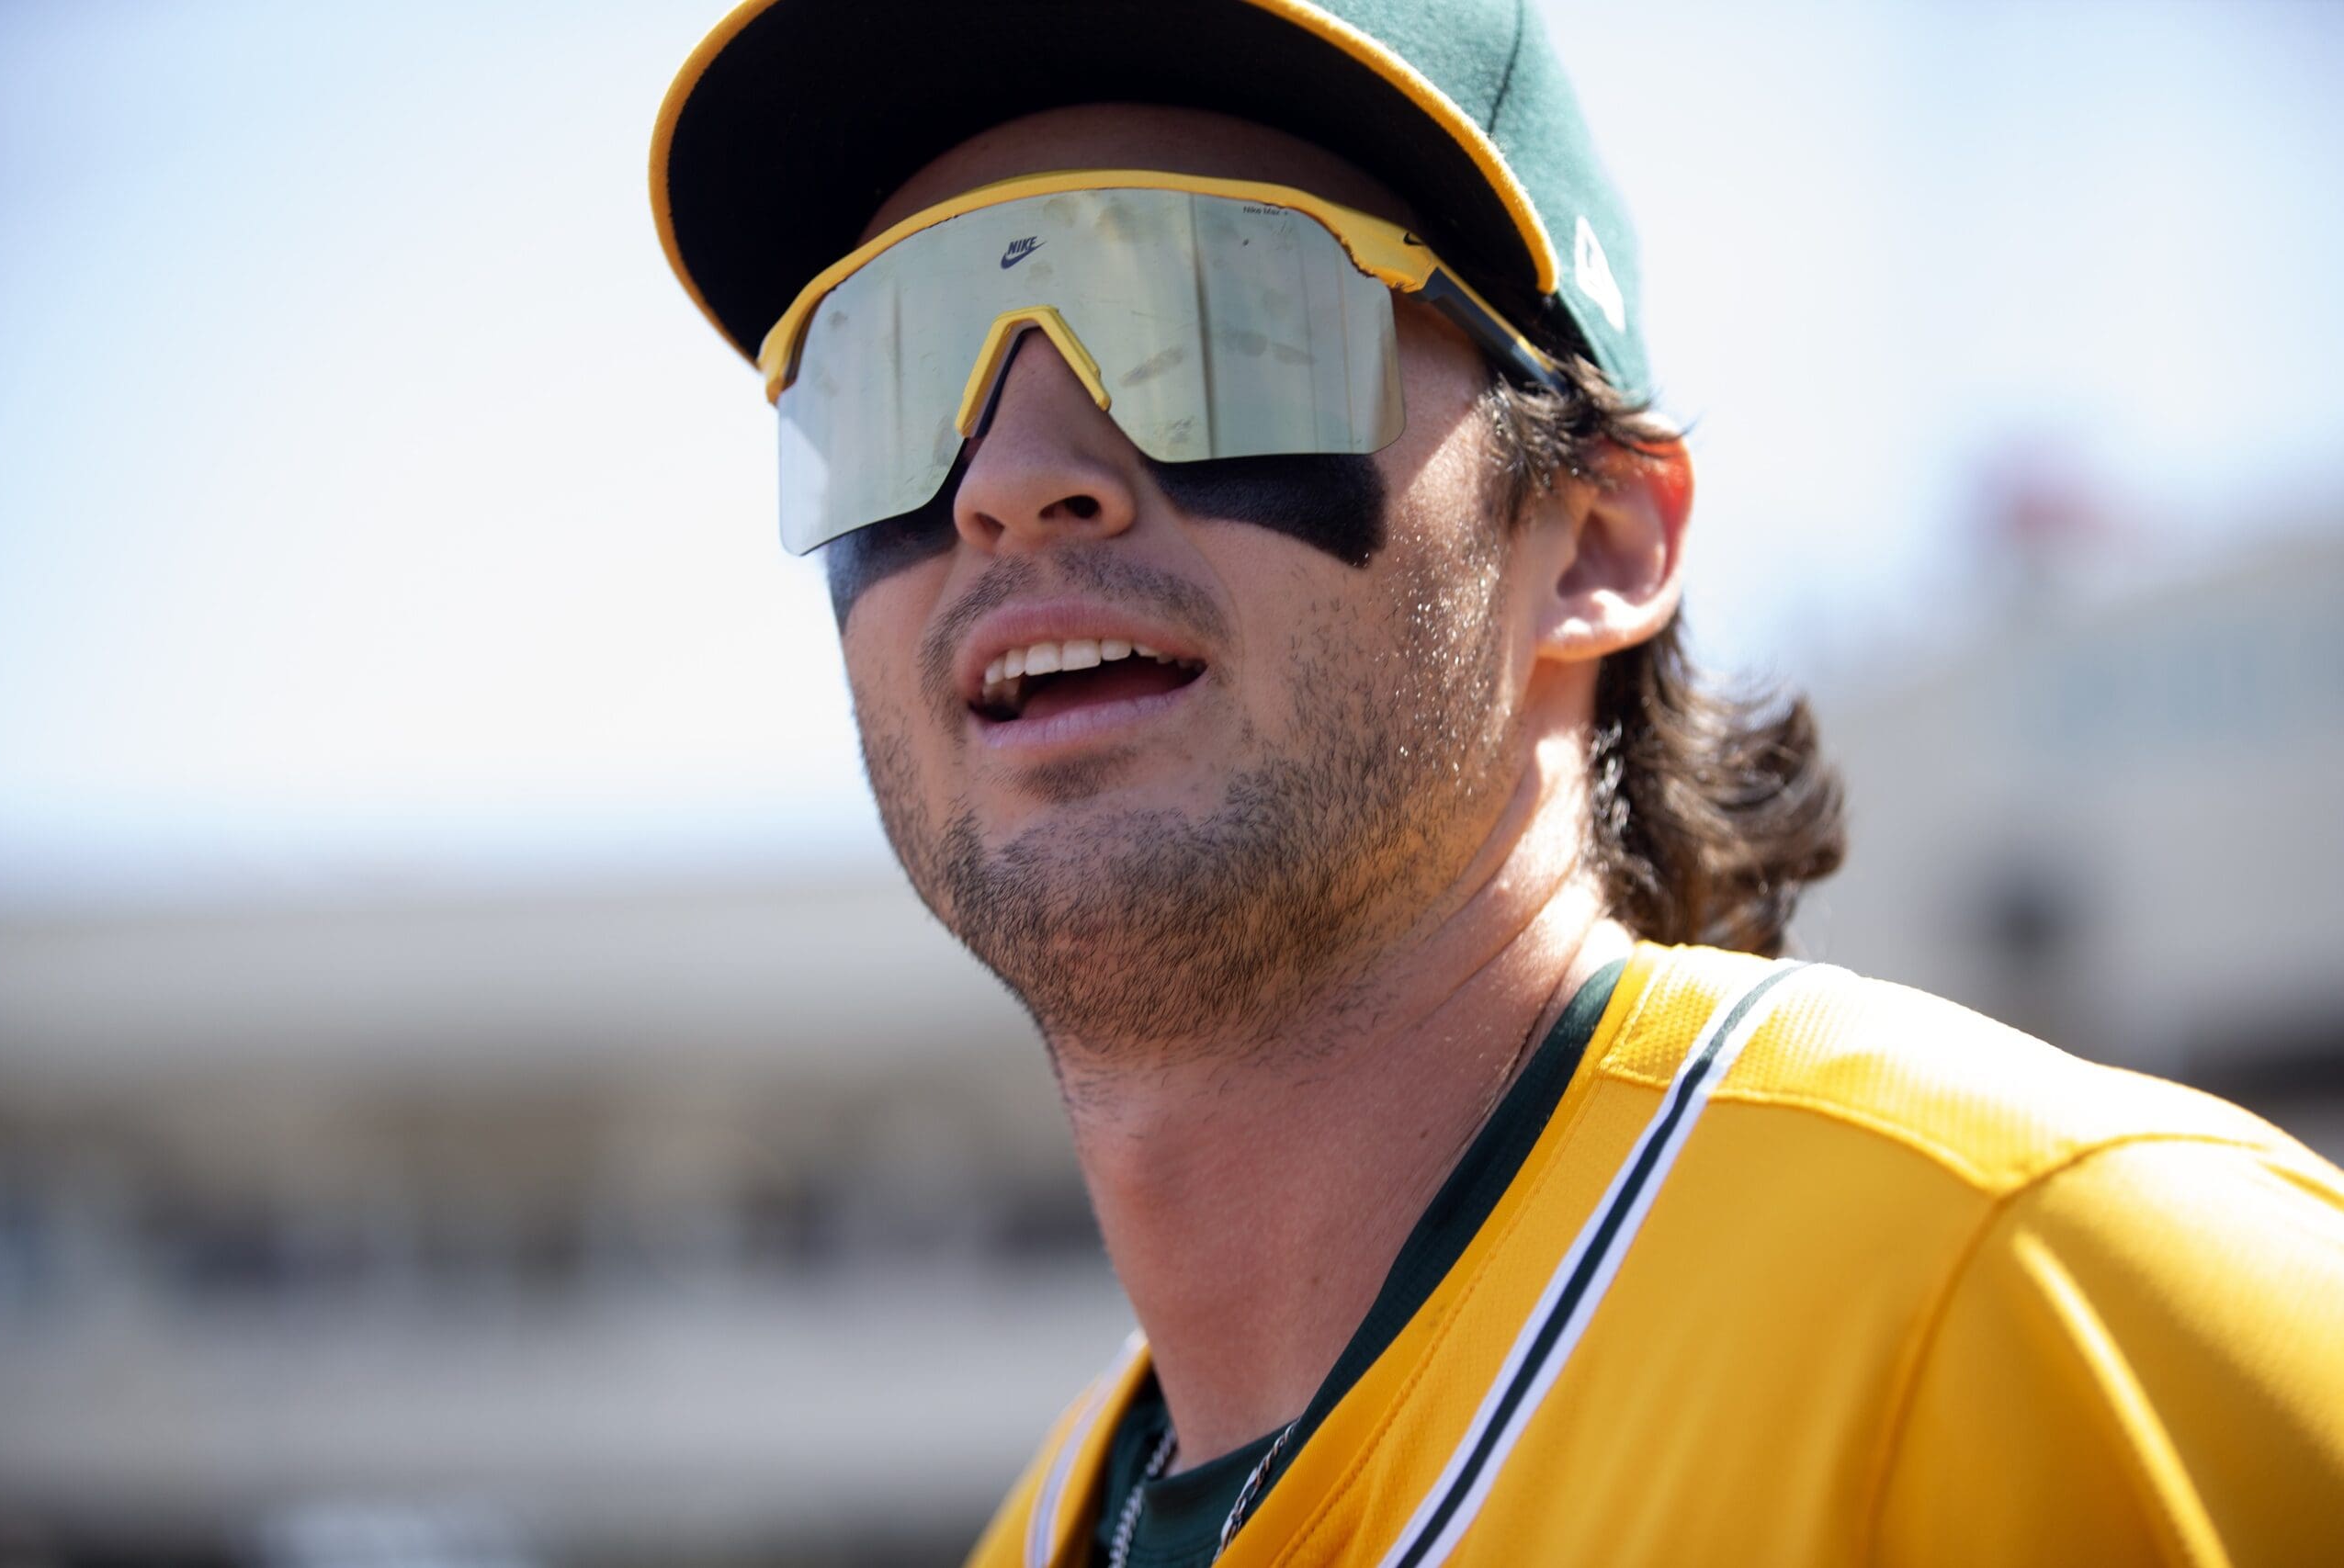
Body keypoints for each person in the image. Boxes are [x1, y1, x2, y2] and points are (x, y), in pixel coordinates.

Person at [649, 4, 2344, 1563]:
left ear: (1594, 539)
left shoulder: (2062, 1290)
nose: (1011, 482)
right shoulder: (1040, 1533)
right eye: (881, 367)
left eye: (1215, 318)